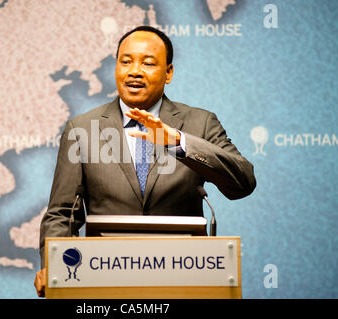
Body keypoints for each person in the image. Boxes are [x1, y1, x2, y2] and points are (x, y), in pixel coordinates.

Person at [34, 26, 256, 297]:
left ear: (169, 73)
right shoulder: (82, 129)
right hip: (105, 281)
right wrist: (54, 265)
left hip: (183, 279)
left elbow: (243, 182)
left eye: (148, 63)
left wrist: (177, 141)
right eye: (125, 61)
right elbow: (61, 213)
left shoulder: (200, 123)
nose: (135, 71)